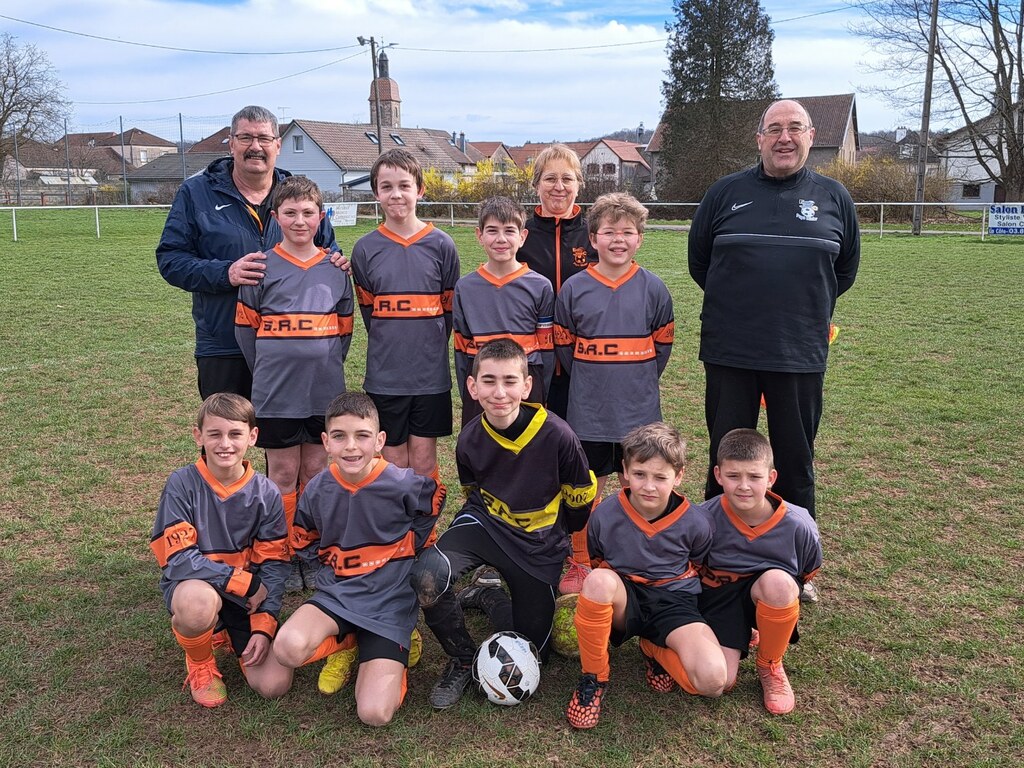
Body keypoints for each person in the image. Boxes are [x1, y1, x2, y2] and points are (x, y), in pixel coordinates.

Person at [688, 99, 859, 603]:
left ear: (811, 137)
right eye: (775, 129)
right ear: (759, 137)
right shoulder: (725, 193)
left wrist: (797, 309)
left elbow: (843, 271)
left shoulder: (834, 197)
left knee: (796, 458)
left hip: (799, 350)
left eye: (795, 128)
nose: (785, 137)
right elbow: (701, 263)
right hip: (730, 349)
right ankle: (715, 555)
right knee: (726, 453)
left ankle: (797, 567)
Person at [411, 339, 597, 710]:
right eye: (489, 381)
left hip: (538, 544)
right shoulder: (470, 438)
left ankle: (488, 595)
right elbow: (473, 494)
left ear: (526, 386)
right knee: (428, 576)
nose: (499, 392)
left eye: (510, 381)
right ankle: (462, 658)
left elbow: (579, 502)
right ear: (472, 386)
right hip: (488, 526)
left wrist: (556, 543)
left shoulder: (558, 436)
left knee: (533, 651)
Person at [272, 392, 445, 727]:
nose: (351, 447)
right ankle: (349, 641)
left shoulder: (402, 483)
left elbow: (434, 499)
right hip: (338, 597)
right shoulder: (318, 489)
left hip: (388, 604)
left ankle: (392, 645)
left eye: (362, 436)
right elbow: (304, 537)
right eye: (339, 436)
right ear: (326, 442)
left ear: (379, 441)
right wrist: (328, 566)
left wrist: (413, 543)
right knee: (286, 648)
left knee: (374, 713)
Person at [156, 105, 339, 401]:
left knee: (286, 430)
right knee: (227, 429)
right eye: (246, 138)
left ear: (277, 146)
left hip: (291, 343)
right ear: (231, 143)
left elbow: (328, 251)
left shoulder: (298, 194)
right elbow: (171, 259)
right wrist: (225, 273)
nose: (256, 146)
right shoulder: (196, 193)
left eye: (264, 138)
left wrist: (337, 261)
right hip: (224, 345)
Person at [235, 176, 353, 592]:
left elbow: (344, 332)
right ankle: (279, 551)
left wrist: (323, 364)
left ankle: (309, 547)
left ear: (321, 217)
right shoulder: (261, 267)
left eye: (308, 213)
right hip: (277, 392)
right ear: (276, 217)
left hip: (324, 391)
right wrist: (271, 368)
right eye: (290, 213)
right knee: (283, 473)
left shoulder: (335, 269)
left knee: (317, 470)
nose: (300, 220)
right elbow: (246, 331)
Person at [566, 422, 726, 729]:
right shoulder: (604, 515)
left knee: (712, 681)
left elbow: (701, 566)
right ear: (625, 470)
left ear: (678, 476)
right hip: (626, 599)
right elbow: (598, 560)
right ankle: (594, 678)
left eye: (660, 477)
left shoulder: (697, 522)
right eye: (640, 474)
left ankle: (654, 647)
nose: (649, 486)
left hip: (674, 602)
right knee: (598, 582)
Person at [554, 192, 674, 592]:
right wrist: (592, 379)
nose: (618, 239)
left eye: (627, 232)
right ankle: (580, 557)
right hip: (589, 408)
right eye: (609, 232)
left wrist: (636, 379)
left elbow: (662, 347)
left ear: (640, 238)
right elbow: (565, 346)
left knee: (636, 481)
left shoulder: (654, 288)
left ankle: (631, 554)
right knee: (586, 486)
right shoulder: (574, 288)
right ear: (593, 238)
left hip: (638, 409)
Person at [150, 393, 293, 708]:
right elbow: (177, 559)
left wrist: (265, 625)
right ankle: (200, 660)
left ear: (252, 437)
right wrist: (244, 582)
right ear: (198, 436)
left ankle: (225, 630)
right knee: (198, 605)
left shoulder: (266, 492)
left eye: (235, 434)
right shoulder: (182, 484)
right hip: (198, 587)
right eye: (214, 434)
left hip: (244, 600)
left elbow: (274, 563)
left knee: (274, 685)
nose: (225, 444)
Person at [350, 148, 460, 477]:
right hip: (386, 377)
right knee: (393, 462)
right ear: (376, 193)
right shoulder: (365, 249)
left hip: (430, 376)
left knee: (424, 461)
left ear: (420, 190)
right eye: (386, 187)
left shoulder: (442, 245)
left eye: (404, 185)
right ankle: (396, 514)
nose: (396, 194)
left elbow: (448, 311)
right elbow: (370, 313)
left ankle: (426, 514)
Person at [517, 144, 597, 595]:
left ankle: (579, 548)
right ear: (536, 185)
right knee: (532, 452)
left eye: (567, 178)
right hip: (533, 365)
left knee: (578, 455)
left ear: (579, 184)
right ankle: (530, 539)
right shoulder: (521, 233)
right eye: (550, 178)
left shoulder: (594, 232)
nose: (559, 187)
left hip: (583, 366)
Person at [697, 428, 822, 715]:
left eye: (754, 477)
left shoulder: (798, 524)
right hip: (720, 599)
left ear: (771, 478)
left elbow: (806, 571)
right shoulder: (702, 519)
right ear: (718, 475)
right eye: (733, 476)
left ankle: (770, 664)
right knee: (720, 682)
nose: (744, 486)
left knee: (780, 583)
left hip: (764, 592)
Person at [453, 195, 554, 427]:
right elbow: (460, 347)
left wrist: (541, 389)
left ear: (522, 237)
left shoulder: (540, 286)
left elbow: (547, 348)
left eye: (509, 231)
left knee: (528, 442)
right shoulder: (465, 287)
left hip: (525, 378)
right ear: (479, 235)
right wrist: (469, 391)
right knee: (481, 442)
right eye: (492, 231)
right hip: (482, 379)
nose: (501, 239)